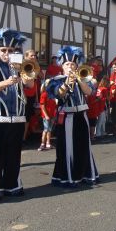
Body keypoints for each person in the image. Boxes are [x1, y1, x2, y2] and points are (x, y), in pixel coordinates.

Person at [0, 28, 34, 200]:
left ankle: (13, 186)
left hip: (18, 117)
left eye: (10, 50)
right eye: (3, 50)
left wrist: (21, 70)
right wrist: (8, 81)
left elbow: (30, 85)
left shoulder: (19, 63)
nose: (7, 53)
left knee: (14, 155)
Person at [44, 46, 99, 186]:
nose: (70, 67)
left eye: (73, 64)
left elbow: (89, 92)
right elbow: (58, 94)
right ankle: (68, 177)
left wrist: (78, 80)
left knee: (83, 146)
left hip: (82, 115)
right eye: (67, 64)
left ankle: (84, 175)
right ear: (62, 66)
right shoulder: (55, 80)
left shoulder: (83, 78)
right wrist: (66, 83)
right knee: (67, 148)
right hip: (67, 116)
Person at [38, 80, 57, 150]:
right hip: (47, 116)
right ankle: (42, 144)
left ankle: (48, 143)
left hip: (52, 115)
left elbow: (54, 105)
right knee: (46, 130)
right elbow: (42, 106)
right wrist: (46, 115)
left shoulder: (52, 94)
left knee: (49, 130)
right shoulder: (44, 94)